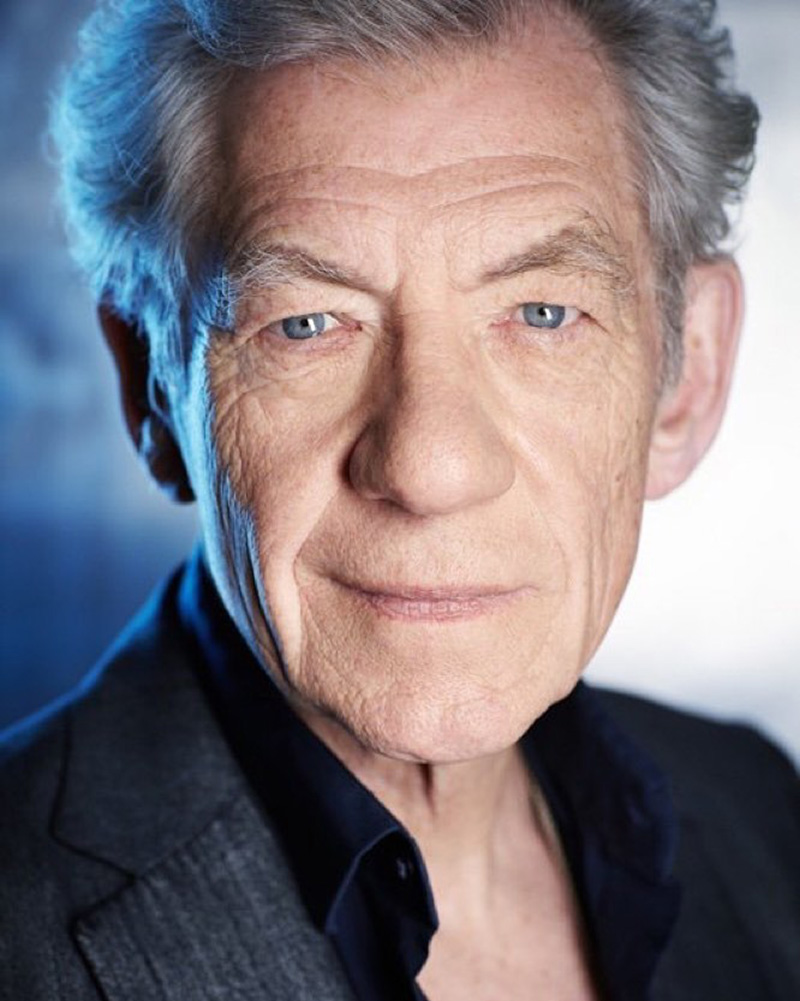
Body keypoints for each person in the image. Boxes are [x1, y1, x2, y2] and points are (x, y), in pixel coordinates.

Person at [1, 0, 797, 998]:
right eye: (305, 324)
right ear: (155, 390)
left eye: (542, 313)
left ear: (687, 375)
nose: (429, 469)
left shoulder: (762, 813)